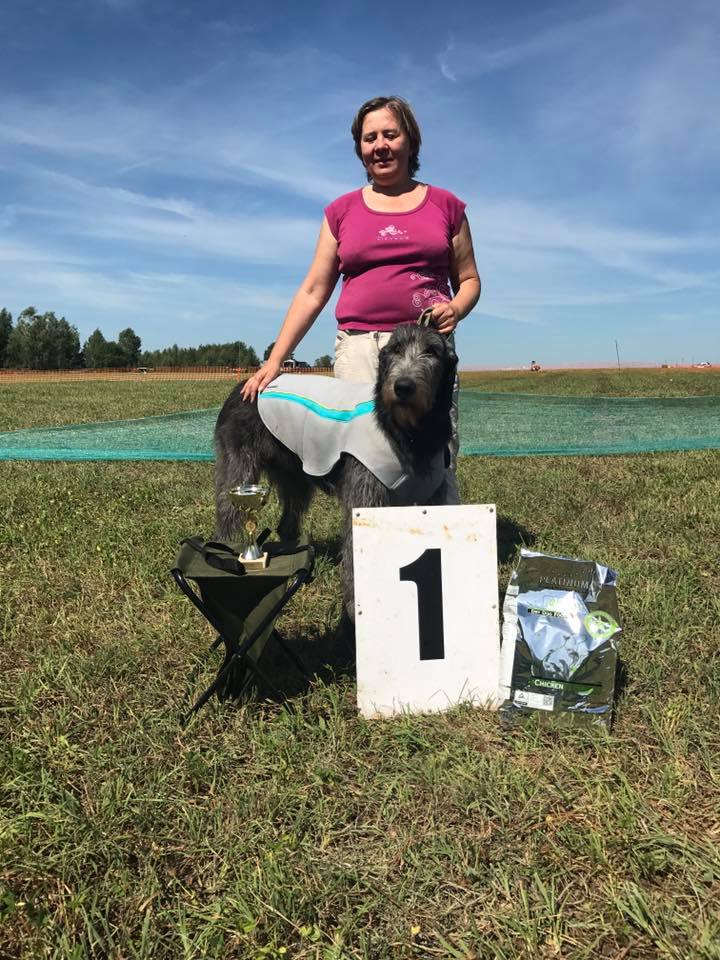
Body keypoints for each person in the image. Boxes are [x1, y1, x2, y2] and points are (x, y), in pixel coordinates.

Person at [240, 95, 481, 490]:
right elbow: (314, 290)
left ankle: (435, 540)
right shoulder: (341, 211)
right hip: (358, 349)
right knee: (365, 461)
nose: (380, 145)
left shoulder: (446, 205)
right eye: (370, 138)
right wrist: (276, 359)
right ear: (360, 148)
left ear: (410, 141)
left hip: (425, 352)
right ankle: (369, 545)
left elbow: (470, 279)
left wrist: (456, 307)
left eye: (391, 134)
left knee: (435, 454)